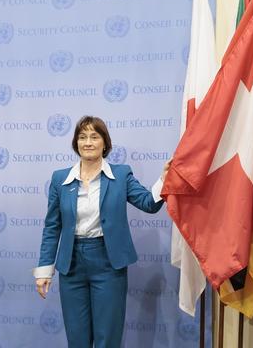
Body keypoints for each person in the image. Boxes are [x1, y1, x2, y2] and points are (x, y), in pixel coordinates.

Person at [33, 116, 169, 347]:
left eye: (94, 137)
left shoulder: (121, 174)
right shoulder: (60, 178)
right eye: (82, 137)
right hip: (71, 264)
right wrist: (44, 270)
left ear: (105, 143)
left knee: (108, 336)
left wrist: (165, 179)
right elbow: (52, 226)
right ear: (76, 143)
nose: (88, 142)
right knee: (77, 338)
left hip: (108, 263)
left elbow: (149, 203)